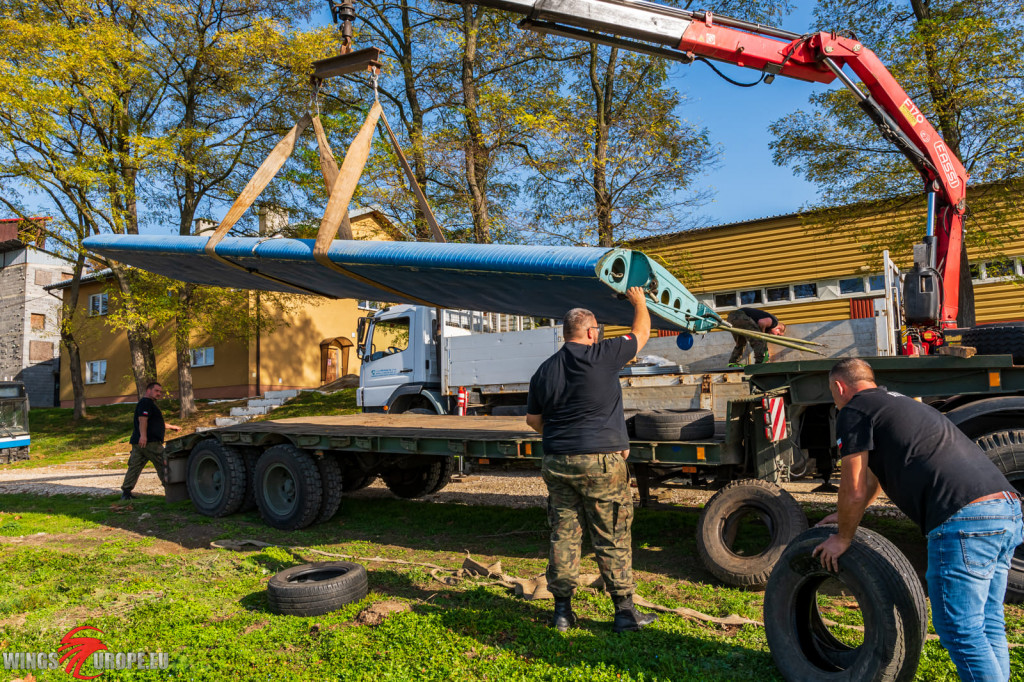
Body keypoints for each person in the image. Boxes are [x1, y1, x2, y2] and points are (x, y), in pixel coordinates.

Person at [813, 358, 1022, 681]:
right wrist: (846, 518)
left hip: (963, 518)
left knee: (960, 630)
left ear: (839, 387)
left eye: (832, 392)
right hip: (1005, 508)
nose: (835, 399)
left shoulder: (854, 411)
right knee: (987, 621)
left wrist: (843, 538)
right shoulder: (898, 403)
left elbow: (852, 486)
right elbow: (872, 482)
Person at [525, 286, 657, 634]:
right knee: (611, 534)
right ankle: (625, 613)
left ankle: (563, 613)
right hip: (601, 463)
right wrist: (639, 303)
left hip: (557, 461)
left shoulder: (544, 370)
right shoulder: (605, 354)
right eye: (597, 329)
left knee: (564, 535)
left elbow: (534, 421)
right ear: (589, 332)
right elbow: (642, 332)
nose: (599, 333)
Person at [121, 381, 181, 500]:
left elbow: (156, 422)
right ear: (149, 390)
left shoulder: (148, 404)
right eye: (156, 391)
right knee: (164, 464)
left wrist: (171, 427)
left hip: (140, 444)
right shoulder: (146, 402)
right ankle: (172, 493)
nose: (159, 393)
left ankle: (126, 493)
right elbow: (142, 419)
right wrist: (143, 436)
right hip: (150, 443)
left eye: (160, 391)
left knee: (134, 466)